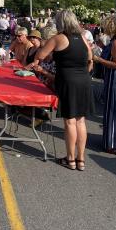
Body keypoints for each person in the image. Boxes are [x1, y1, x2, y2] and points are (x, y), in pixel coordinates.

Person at [34, 10, 93, 171]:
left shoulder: (58, 38)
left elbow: (41, 54)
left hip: (68, 81)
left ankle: (70, 159)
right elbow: (90, 59)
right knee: (81, 120)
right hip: (84, 81)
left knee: (70, 121)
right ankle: (80, 160)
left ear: (60, 23)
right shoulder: (82, 38)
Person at [92, 16, 116, 155]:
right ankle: (115, 142)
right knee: (115, 108)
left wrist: (98, 59)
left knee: (115, 109)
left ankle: (115, 144)